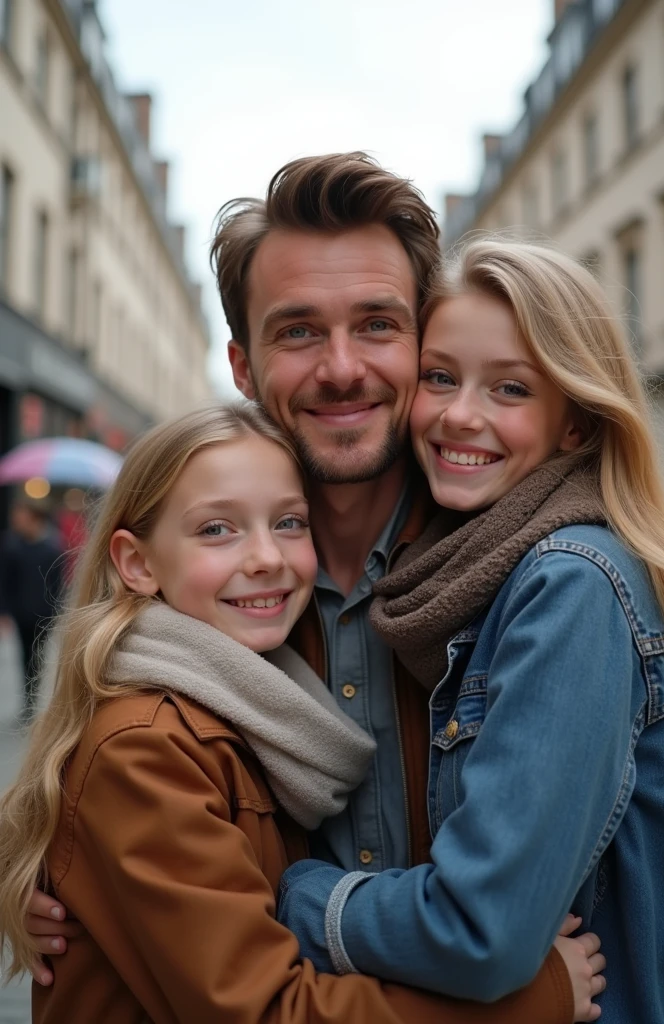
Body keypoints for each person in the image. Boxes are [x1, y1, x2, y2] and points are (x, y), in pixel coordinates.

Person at [24, 154, 599, 1016]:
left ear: (422, 344)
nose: (340, 368)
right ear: (244, 366)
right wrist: (54, 863)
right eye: (297, 331)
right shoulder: (205, 617)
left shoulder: (524, 573)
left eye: (376, 324)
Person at [0, 403, 602, 1023]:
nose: (266, 557)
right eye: (216, 529)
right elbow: (266, 1010)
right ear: (138, 563)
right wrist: (535, 999)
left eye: (288, 522)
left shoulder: (263, 709)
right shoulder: (146, 747)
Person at [276, 239, 664, 1024]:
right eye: (441, 377)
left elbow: (482, 931)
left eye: (509, 388)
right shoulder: (472, 567)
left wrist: (296, 895)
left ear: (573, 424)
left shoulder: (572, 585)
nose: (461, 414)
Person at [0, 499, 64, 721]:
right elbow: (5, 582)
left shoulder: (52, 549)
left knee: (37, 657)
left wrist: (58, 612)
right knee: (24, 656)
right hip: (21, 613)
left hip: (44, 613)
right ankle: (28, 700)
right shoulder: (12, 547)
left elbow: (58, 585)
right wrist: (5, 612)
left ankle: (33, 699)